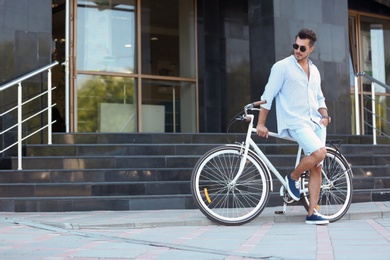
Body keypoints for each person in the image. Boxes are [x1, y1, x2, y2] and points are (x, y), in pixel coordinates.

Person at [256, 28, 331, 225]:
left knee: (317, 166)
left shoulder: (314, 71)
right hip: (296, 121)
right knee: (320, 152)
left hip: (316, 122)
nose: (297, 50)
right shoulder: (282, 67)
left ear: (311, 49)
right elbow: (268, 95)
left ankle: (312, 213)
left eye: (302, 47)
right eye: (295, 45)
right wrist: (261, 123)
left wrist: (325, 115)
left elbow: (320, 97)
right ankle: (293, 177)